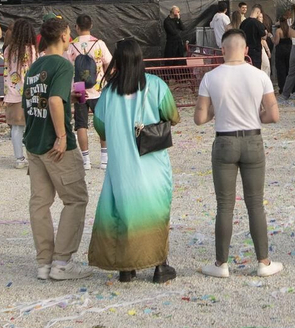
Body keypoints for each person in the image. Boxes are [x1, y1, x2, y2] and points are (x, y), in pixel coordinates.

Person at [90, 38, 181, 284]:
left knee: (122, 212)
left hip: (121, 167)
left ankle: (126, 269)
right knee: (156, 212)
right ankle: (159, 266)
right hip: (153, 165)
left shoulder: (108, 93)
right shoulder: (156, 86)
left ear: (117, 61)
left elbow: (100, 128)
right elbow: (173, 116)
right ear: (141, 59)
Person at [195, 31, 282, 277]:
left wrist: (216, 109)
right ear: (245, 51)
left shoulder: (210, 78)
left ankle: (221, 263)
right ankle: (263, 262)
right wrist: (257, 116)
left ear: (222, 50)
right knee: (255, 204)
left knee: (225, 205)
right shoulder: (259, 76)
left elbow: (200, 118)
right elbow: (273, 115)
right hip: (253, 138)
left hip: (224, 141)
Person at [22, 17, 90, 281]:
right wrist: (62, 135)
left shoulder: (35, 66)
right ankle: (62, 262)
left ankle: (44, 262)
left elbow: (38, 99)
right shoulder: (63, 64)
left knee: (40, 203)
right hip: (55, 144)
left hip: (34, 143)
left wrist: (66, 98)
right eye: (68, 31)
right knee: (75, 199)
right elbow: (52, 100)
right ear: (63, 36)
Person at [66, 16, 111, 171]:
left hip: (79, 89)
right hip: (98, 87)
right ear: (91, 25)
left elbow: (67, 66)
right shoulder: (99, 44)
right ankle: (104, 159)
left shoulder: (72, 46)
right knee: (102, 123)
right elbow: (109, 63)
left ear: (76, 27)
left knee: (81, 124)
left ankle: (86, 160)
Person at [2, 18, 38, 169]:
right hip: (31, 92)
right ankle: (33, 156)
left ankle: (19, 158)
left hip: (12, 93)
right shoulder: (32, 50)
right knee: (32, 127)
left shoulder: (8, 50)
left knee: (16, 128)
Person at [240, 6, 269, 72]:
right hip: (256, 50)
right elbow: (264, 37)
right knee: (256, 69)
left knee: (247, 69)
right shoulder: (258, 23)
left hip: (245, 49)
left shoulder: (243, 23)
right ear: (258, 12)